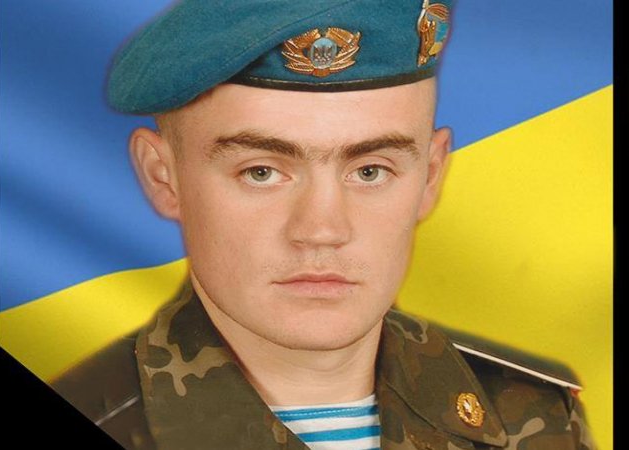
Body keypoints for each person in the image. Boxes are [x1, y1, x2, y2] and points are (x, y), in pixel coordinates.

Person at [50, 1, 597, 449]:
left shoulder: (535, 417)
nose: (322, 230)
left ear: (430, 176)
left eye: (370, 170)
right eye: (261, 172)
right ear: (162, 176)